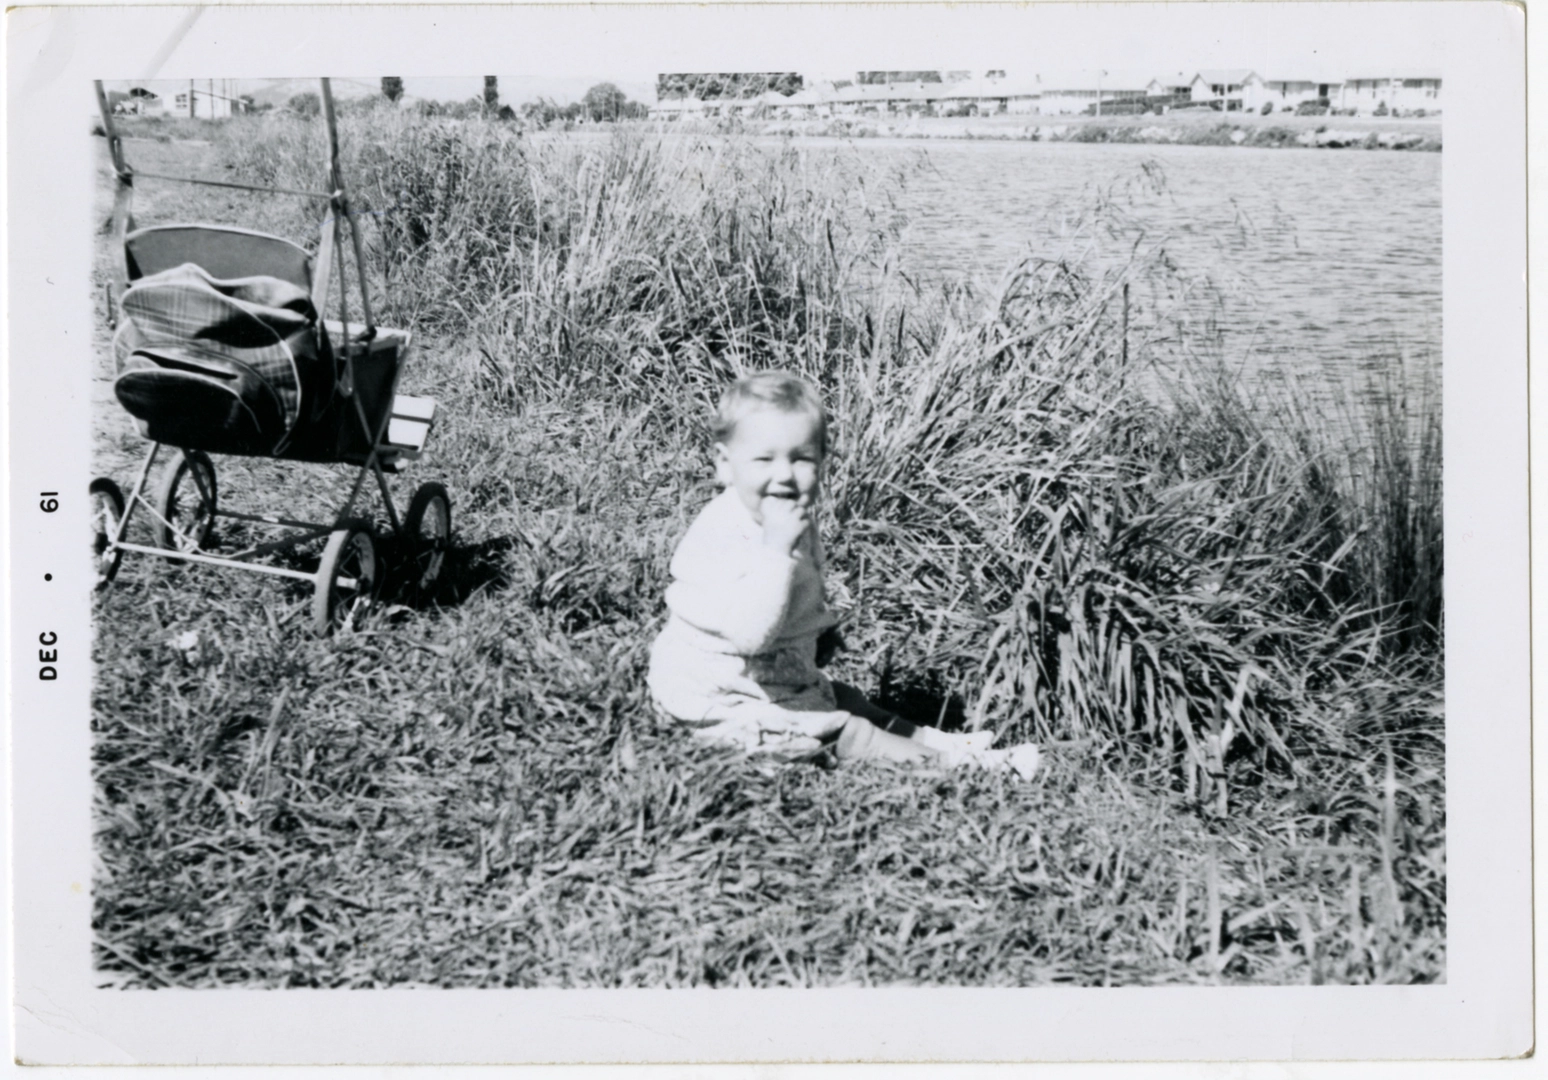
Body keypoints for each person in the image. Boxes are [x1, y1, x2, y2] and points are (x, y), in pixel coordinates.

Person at [647, 371, 1039, 777]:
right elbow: (749, 633)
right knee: (844, 731)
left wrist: (818, 631)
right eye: (764, 458)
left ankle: (935, 740)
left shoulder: (788, 516)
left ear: (821, 461)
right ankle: (966, 767)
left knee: (844, 697)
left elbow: (798, 592)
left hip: (766, 679)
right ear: (726, 466)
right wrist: (776, 552)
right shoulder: (726, 532)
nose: (784, 475)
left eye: (801, 458)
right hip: (714, 704)